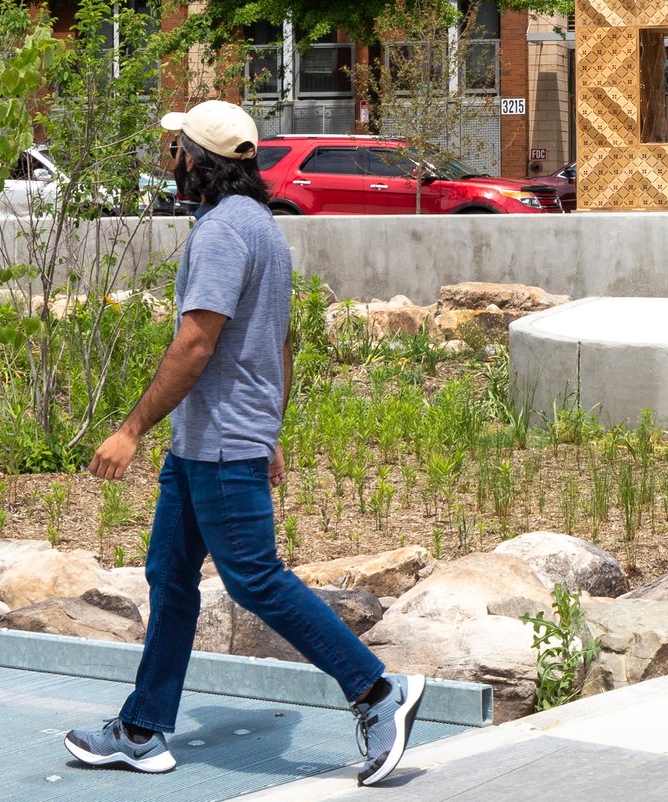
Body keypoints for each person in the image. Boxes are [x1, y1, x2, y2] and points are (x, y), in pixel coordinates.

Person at [66, 100, 425, 785]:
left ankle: (378, 691)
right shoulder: (262, 226)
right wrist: (273, 428)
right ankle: (143, 728)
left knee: (255, 577)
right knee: (171, 579)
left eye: (174, 148)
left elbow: (196, 343)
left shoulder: (223, 234)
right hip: (212, 441)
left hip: (221, 443)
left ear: (197, 162)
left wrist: (131, 427)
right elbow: (278, 343)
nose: (167, 159)